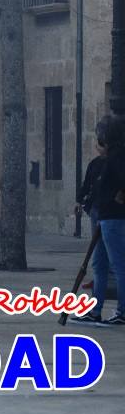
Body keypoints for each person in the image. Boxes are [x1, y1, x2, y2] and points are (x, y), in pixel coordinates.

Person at [72, 119, 110, 325]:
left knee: (107, 262)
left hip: (109, 215)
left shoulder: (114, 164)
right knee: (99, 261)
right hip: (97, 212)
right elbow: (87, 185)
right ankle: (95, 309)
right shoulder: (95, 164)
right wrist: (80, 201)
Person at [91, 115, 125, 326]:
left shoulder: (116, 156)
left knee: (118, 265)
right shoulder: (111, 156)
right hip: (105, 217)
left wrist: (119, 195)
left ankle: (122, 311)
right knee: (99, 264)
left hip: (113, 217)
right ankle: (95, 309)